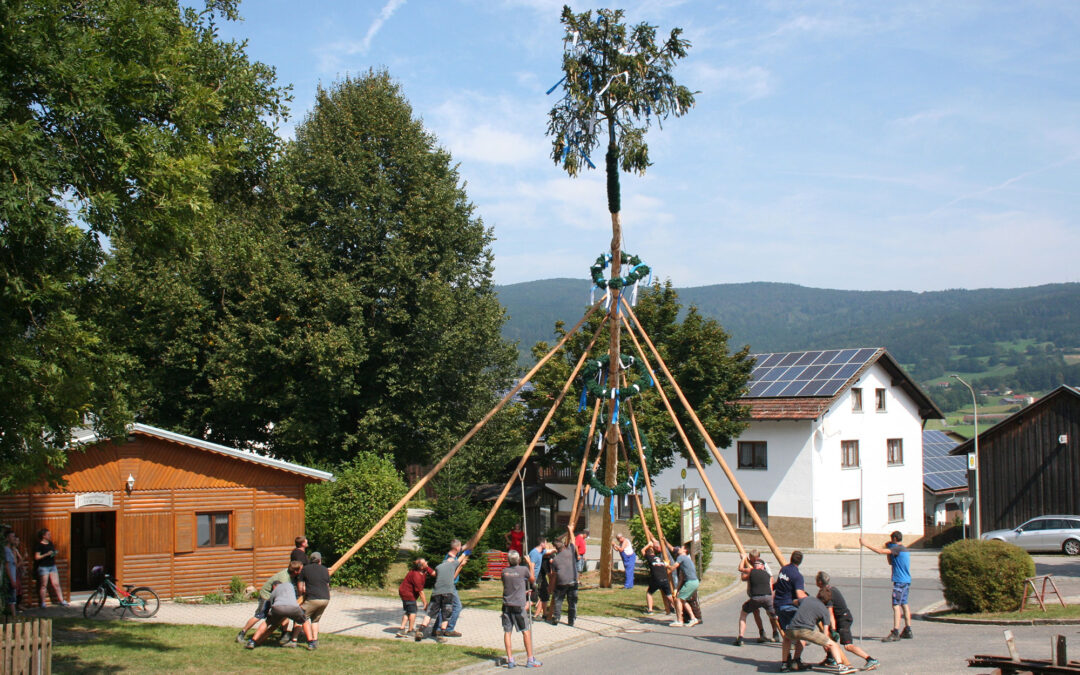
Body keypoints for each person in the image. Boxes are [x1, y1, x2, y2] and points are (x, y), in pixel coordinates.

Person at [815, 571, 880, 671]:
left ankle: (870, 660)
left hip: (843, 619)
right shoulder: (831, 589)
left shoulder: (827, 593)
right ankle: (830, 658)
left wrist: (833, 629)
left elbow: (830, 614)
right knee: (830, 638)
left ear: (819, 582)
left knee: (848, 646)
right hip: (841, 617)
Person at [782, 594, 856, 674]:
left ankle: (785, 664)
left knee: (787, 639)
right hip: (805, 631)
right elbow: (825, 631)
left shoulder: (808, 599)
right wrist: (825, 644)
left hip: (791, 628)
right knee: (833, 644)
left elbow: (795, 602)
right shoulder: (825, 611)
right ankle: (841, 666)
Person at [860, 531, 913, 641]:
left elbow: (879, 551)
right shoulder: (904, 549)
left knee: (896, 605)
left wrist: (866, 544)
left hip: (899, 581)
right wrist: (889, 552)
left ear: (894, 538)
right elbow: (890, 562)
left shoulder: (897, 549)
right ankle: (908, 629)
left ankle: (896, 631)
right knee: (904, 603)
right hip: (906, 581)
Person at [236, 560, 303, 643]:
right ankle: (242, 633)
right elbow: (279, 591)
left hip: (276, 596)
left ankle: (284, 634)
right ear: (296, 571)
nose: (302, 571)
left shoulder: (291, 575)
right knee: (259, 616)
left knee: (284, 613)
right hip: (266, 596)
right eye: (301, 569)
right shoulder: (284, 579)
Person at [417, 542, 469, 643]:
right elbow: (459, 561)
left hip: (436, 592)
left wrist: (425, 566)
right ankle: (441, 634)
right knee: (446, 613)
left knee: (430, 613)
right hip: (447, 592)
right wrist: (465, 555)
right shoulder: (453, 564)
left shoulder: (439, 567)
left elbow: (433, 573)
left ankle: (421, 630)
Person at [501, 549, 542, 668]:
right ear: (518, 560)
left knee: (507, 632)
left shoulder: (504, 572)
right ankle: (530, 659)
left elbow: (510, 586)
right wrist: (530, 564)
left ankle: (510, 660)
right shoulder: (523, 570)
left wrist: (522, 592)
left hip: (507, 605)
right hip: (518, 605)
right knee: (525, 631)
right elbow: (532, 580)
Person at [246, 580, 314, 650]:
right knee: (304, 621)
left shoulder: (273, 592)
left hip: (277, 607)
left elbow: (272, 606)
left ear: (274, 586)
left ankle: (252, 641)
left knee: (267, 623)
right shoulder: (289, 585)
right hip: (293, 607)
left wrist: (274, 618)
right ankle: (311, 643)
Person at [773, 550, 808, 668]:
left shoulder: (783, 570)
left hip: (779, 605)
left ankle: (784, 663)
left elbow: (779, 584)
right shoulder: (797, 576)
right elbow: (799, 594)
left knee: (787, 636)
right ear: (801, 561)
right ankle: (796, 660)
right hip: (789, 606)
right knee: (803, 633)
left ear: (791, 558)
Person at [290, 551, 330, 649]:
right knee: (315, 620)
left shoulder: (305, 569)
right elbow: (327, 585)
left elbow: (300, 584)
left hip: (313, 598)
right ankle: (315, 640)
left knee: (300, 617)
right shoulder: (325, 570)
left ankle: (295, 640)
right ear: (319, 560)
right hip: (325, 599)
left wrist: (300, 595)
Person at [735, 554, 777, 645]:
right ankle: (781, 635)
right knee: (774, 616)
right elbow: (771, 588)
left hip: (755, 598)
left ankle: (741, 638)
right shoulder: (767, 574)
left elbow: (740, 569)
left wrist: (743, 559)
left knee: (743, 614)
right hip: (768, 598)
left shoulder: (751, 571)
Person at [397, 558, 434, 637]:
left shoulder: (423, 570)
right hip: (407, 593)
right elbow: (420, 591)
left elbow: (434, 573)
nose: (427, 562)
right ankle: (410, 630)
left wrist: (427, 567)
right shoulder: (416, 575)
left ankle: (401, 629)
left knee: (408, 611)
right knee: (413, 612)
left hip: (406, 593)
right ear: (421, 567)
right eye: (425, 562)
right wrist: (425, 603)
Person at [667, 544, 700, 627]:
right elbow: (681, 577)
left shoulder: (681, 557)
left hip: (691, 582)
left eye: (681, 548)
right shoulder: (686, 559)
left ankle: (679, 620)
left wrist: (666, 565)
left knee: (678, 599)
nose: (679, 548)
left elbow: (672, 568)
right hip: (694, 582)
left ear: (685, 550)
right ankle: (693, 618)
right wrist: (676, 589)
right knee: (683, 600)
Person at [33, 529, 68, 607]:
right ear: (44, 536)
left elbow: (51, 553)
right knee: (43, 585)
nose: (50, 536)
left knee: (56, 584)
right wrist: (46, 554)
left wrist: (54, 553)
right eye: (48, 534)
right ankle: (43, 603)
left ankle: (62, 600)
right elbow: (37, 557)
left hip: (52, 566)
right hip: (43, 567)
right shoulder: (39, 545)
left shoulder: (50, 543)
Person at [548, 538, 578, 627]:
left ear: (555, 548)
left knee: (558, 601)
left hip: (561, 582)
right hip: (573, 581)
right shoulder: (570, 551)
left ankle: (556, 617)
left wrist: (551, 587)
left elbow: (554, 575)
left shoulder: (555, 560)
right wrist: (570, 529)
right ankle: (571, 620)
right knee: (572, 602)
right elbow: (573, 541)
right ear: (563, 545)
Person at [640, 540, 673, 614]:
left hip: (657, 579)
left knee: (649, 593)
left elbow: (642, 550)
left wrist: (648, 544)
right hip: (665, 579)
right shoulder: (660, 559)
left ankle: (650, 610)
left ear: (648, 553)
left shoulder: (650, 558)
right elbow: (666, 565)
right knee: (669, 595)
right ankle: (677, 607)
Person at [528, 538, 549, 619]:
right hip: (533, 577)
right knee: (533, 598)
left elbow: (548, 551)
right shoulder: (534, 553)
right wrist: (532, 578)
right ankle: (523, 613)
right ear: (542, 544)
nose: (546, 545)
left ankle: (540, 614)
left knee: (541, 595)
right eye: (546, 543)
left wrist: (556, 550)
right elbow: (531, 566)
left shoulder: (541, 552)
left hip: (537, 578)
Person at [3, 529, 17, 616]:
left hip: (13, 576)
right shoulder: (6, 550)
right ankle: (14, 616)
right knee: (11, 599)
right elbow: (7, 566)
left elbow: (15, 563)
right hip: (9, 578)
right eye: (12, 536)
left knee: (11, 598)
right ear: (7, 538)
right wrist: (12, 580)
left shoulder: (11, 550)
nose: (14, 538)